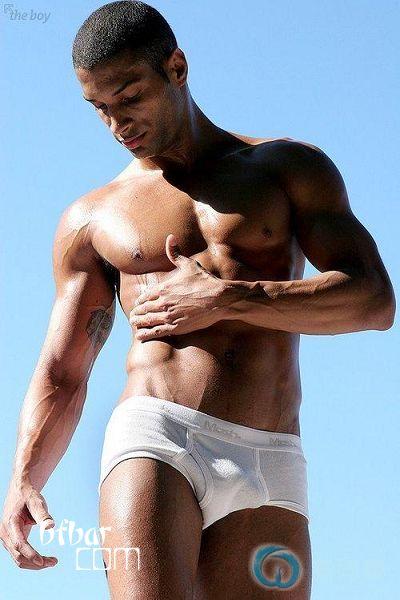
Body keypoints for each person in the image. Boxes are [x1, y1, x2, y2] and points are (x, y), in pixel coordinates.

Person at [0, 1, 395, 598]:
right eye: (99, 108)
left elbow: (373, 302)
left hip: (271, 454)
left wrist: (229, 298)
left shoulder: (287, 168)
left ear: (176, 68)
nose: (117, 123)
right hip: (156, 435)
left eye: (129, 97)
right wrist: (24, 475)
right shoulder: (94, 218)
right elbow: (64, 369)